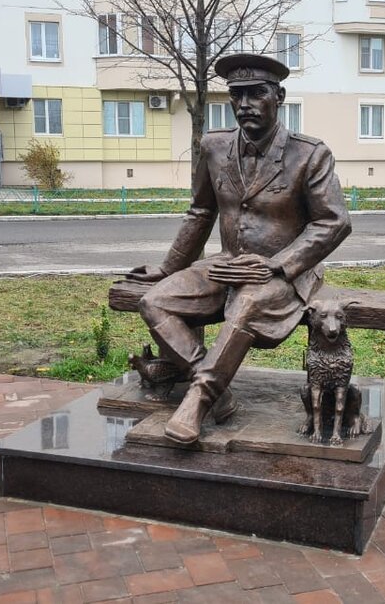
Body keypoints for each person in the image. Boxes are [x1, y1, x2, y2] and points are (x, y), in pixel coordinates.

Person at [127, 53, 351, 444]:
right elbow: (200, 212)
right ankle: (219, 390)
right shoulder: (214, 147)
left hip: (287, 274)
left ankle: (199, 399)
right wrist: (167, 268)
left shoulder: (309, 154)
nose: (245, 104)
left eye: (256, 93)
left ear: (278, 96)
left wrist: (278, 265)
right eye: (237, 95)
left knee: (248, 303)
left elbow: (334, 221)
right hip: (228, 264)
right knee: (154, 301)